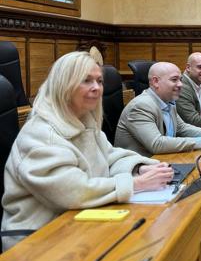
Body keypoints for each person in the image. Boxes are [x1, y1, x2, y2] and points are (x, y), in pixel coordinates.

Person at [1, 52, 173, 250]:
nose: (97, 88)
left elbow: (109, 155)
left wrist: (140, 167)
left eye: (99, 81)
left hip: (78, 223)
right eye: (86, 81)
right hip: (38, 240)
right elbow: (74, 191)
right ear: (63, 84)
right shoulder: (41, 135)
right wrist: (136, 184)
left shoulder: (83, 120)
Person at [114, 62, 201, 157]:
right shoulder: (141, 106)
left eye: (180, 80)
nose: (180, 84)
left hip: (162, 161)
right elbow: (157, 144)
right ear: (155, 81)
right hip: (138, 170)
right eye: (174, 80)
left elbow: (181, 127)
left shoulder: (168, 101)